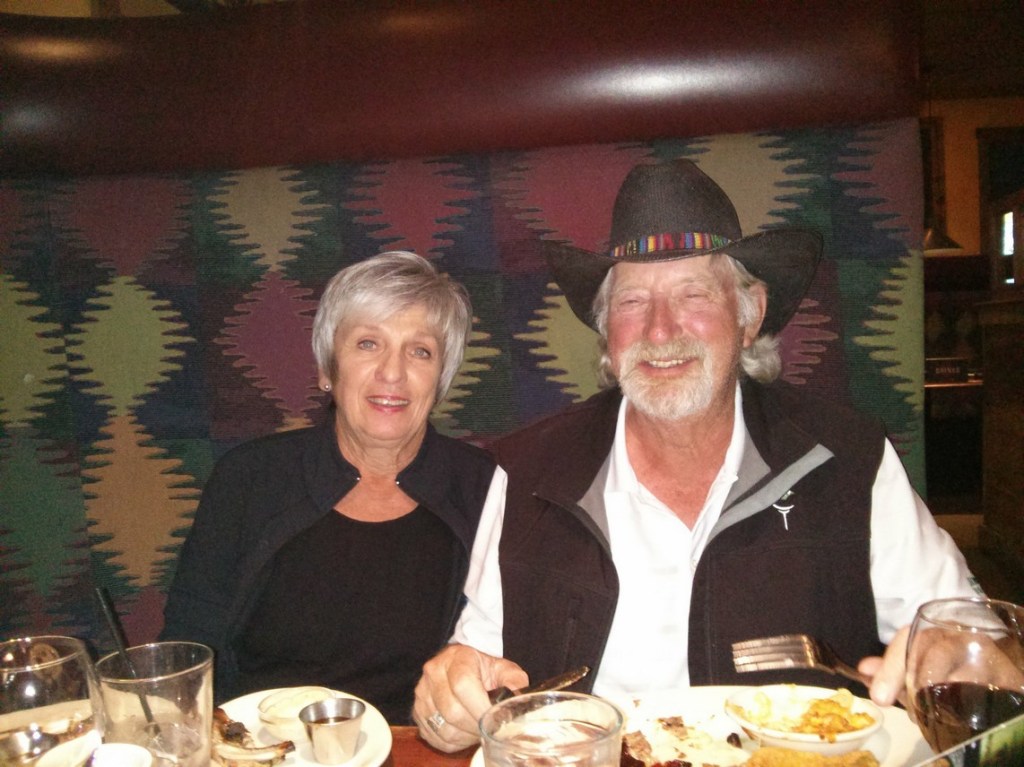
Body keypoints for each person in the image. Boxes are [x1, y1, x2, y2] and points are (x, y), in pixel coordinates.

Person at [411, 159, 981, 751]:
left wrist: (962, 654)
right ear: (607, 331)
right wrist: (448, 706)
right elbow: (476, 672)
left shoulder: (847, 461)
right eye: (633, 301)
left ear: (749, 315)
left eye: (693, 294)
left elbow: (972, 637)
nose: (660, 330)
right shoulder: (529, 471)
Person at [161, 250, 496, 724]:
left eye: (420, 351)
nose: (393, 372)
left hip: (418, 744)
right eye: (368, 344)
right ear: (327, 369)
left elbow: (497, 647)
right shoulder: (249, 478)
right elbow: (189, 648)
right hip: (261, 743)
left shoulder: (484, 486)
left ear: (440, 379)